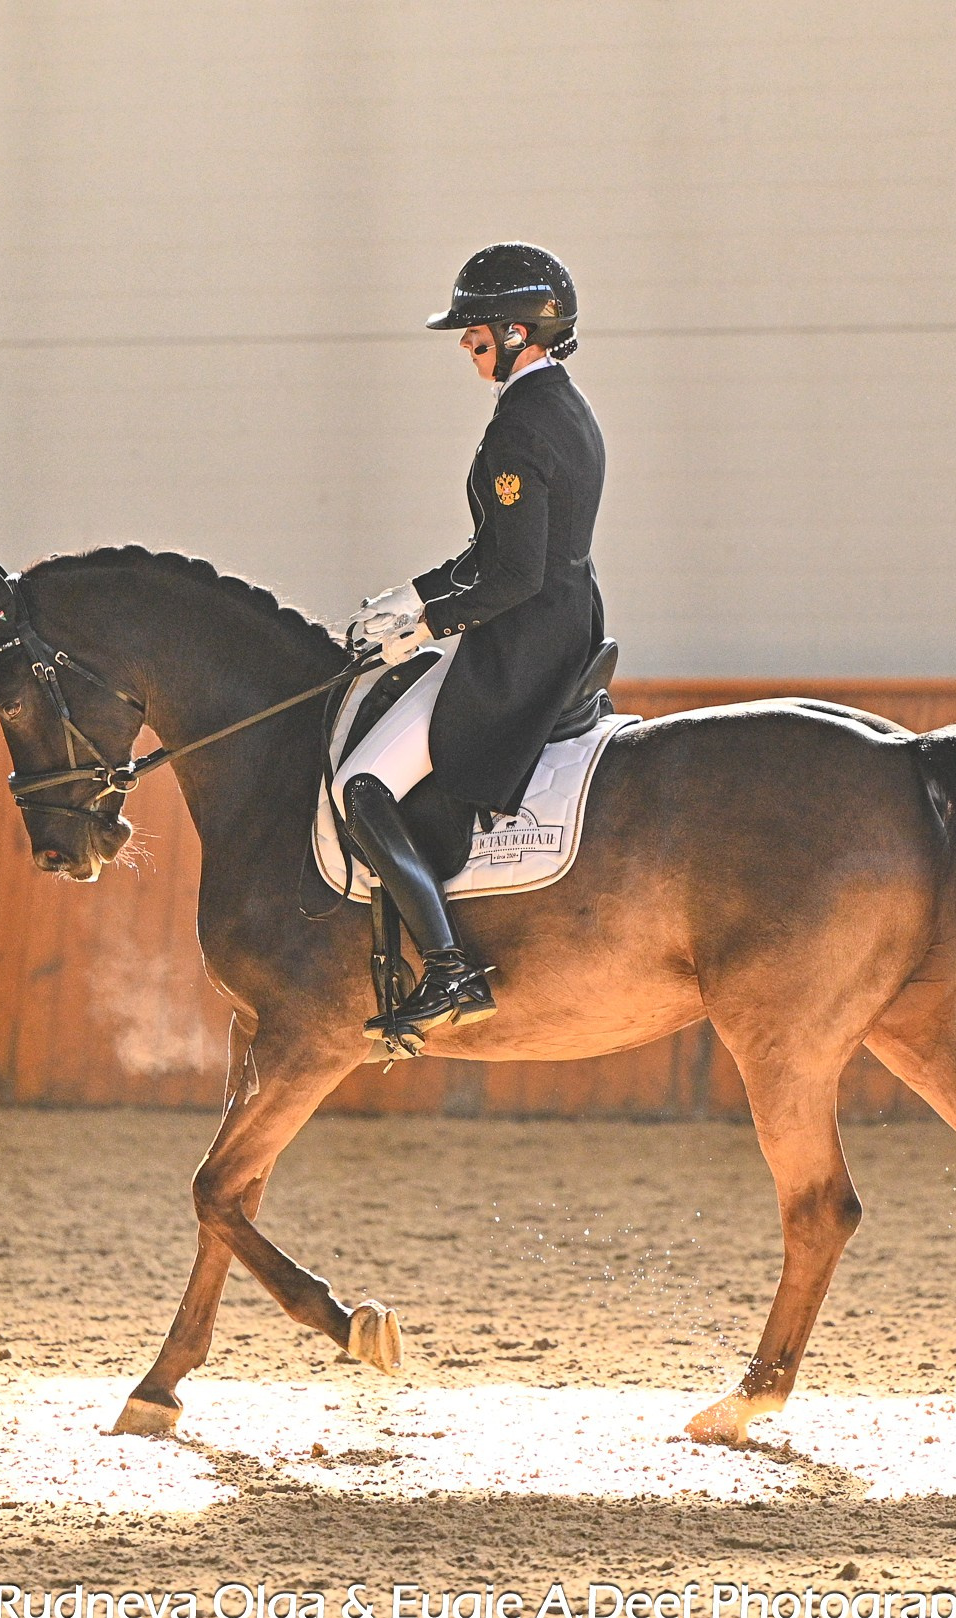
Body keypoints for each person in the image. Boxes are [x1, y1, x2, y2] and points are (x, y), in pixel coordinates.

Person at [338, 242, 609, 1043]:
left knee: (360, 784)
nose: (467, 343)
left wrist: (426, 626)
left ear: (522, 331)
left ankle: (448, 965)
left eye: (477, 329)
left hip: (522, 642)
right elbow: (499, 551)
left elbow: (513, 575)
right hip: (570, 619)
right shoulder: (566, 405)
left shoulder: (519, 429)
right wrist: (415, 594)